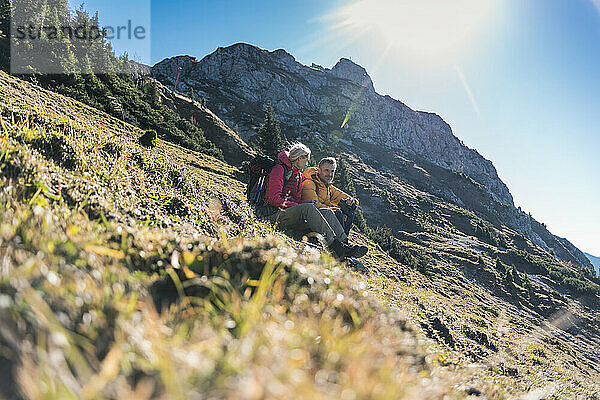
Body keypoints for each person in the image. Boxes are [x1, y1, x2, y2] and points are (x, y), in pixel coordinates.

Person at [262, 143, 367, 260]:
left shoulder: (297, 175)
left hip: (289, 215)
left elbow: (299, 201)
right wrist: (299, 206)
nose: (307, 164)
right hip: (272, 215)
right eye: (306, 160)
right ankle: (336, 247)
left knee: (327, 212)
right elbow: (273, 198)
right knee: (309, 208)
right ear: (299, 158)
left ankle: (345, 244)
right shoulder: (279, 169)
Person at [301, 157, 358, 237]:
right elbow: (314, 205)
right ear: (319, 170)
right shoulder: (309, 183)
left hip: (324, 218)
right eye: (326, 170)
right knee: (338, 214)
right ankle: (342, 243)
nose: (330, 174)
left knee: (349, 213)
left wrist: (352, 201)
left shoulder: (327, 186)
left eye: (332, 171)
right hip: (309, 220)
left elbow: (342, 195)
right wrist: (335, 210)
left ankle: (344, 242)